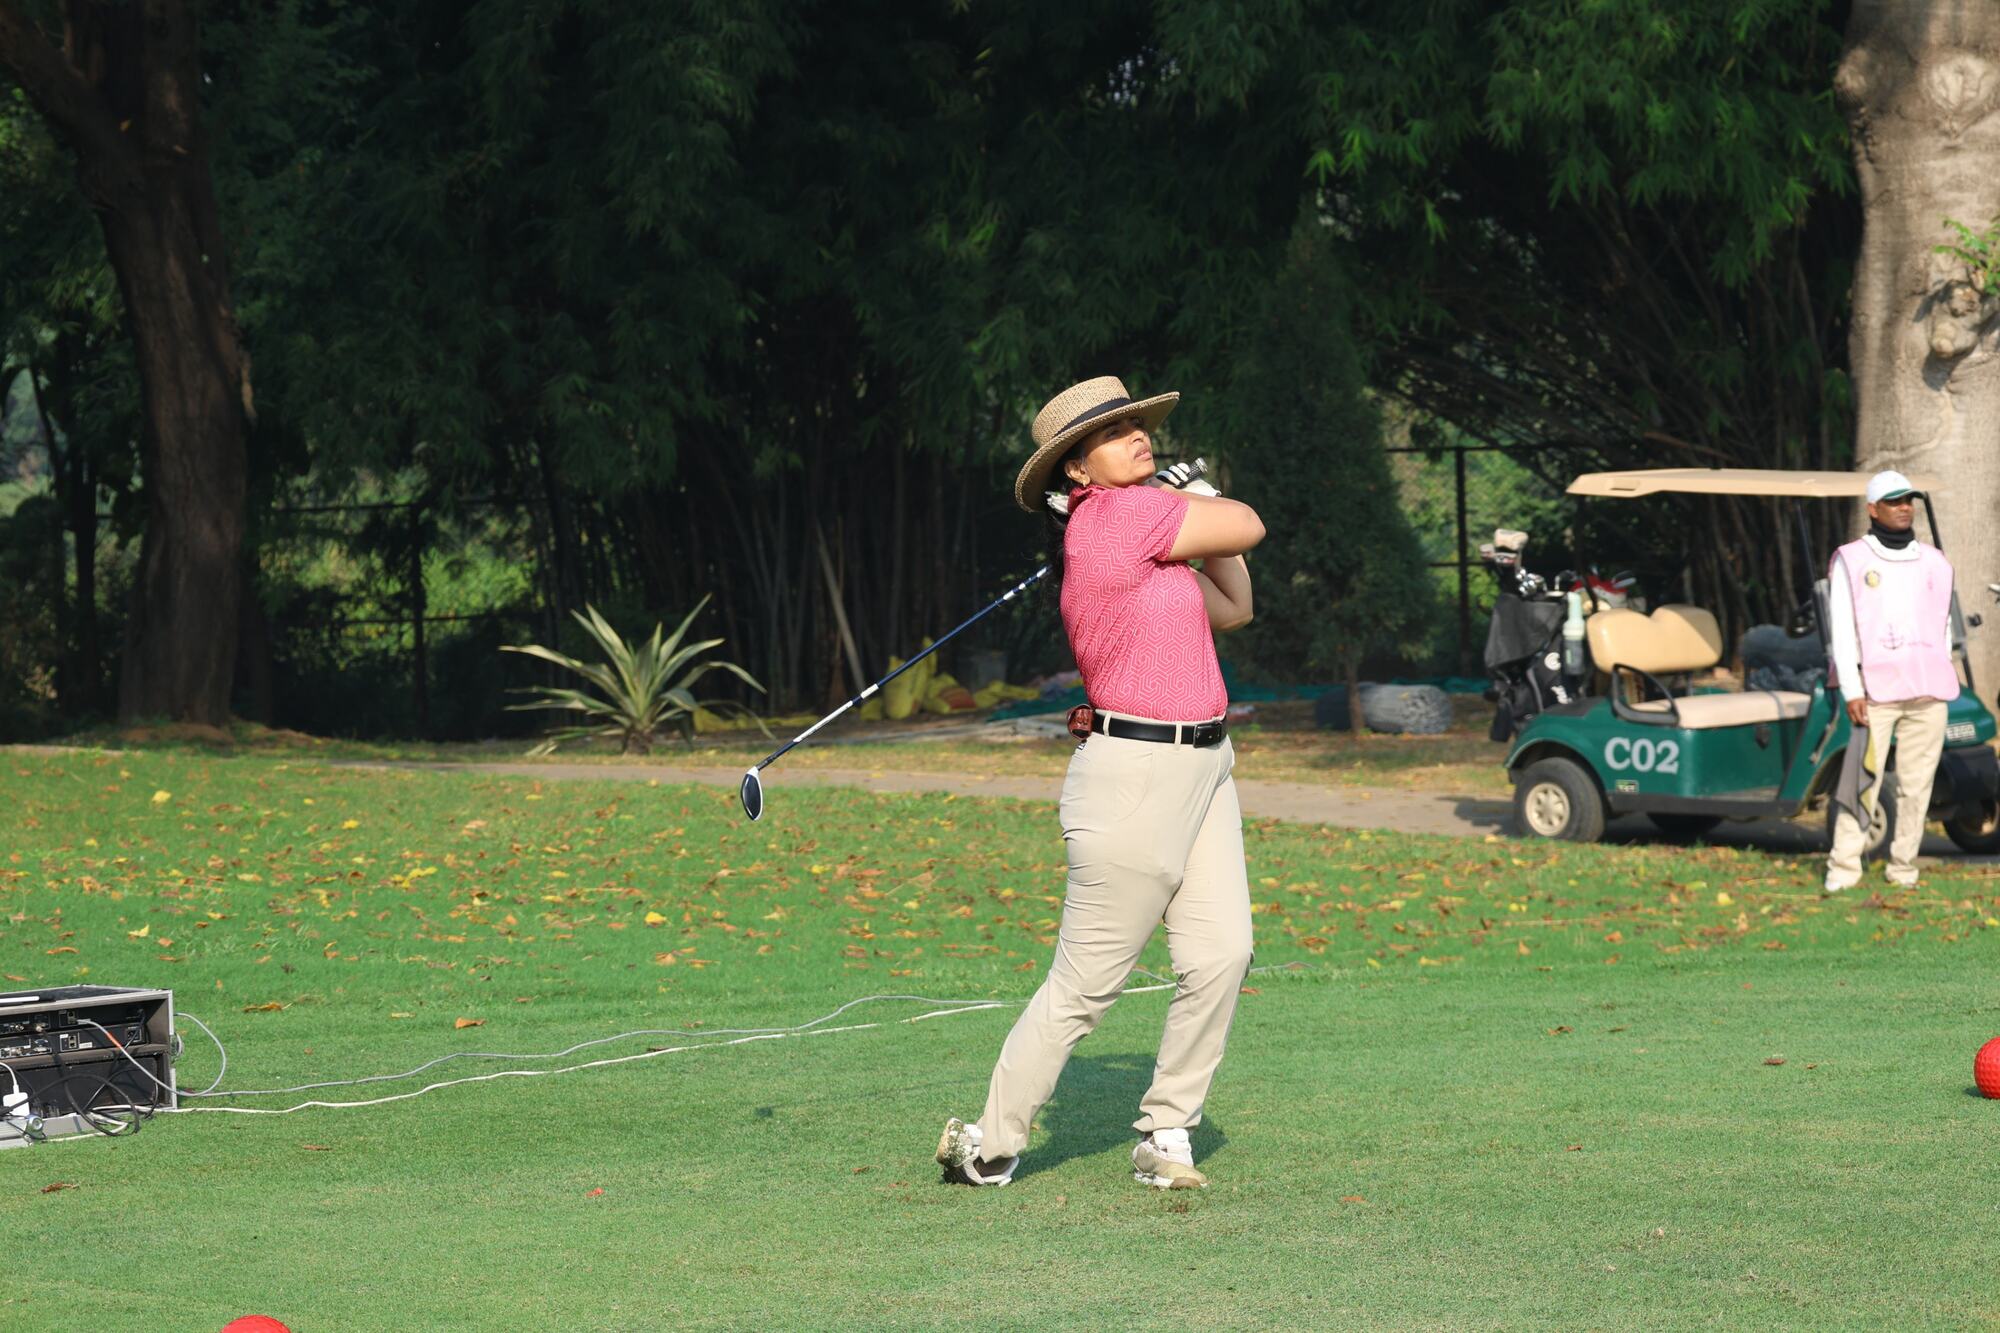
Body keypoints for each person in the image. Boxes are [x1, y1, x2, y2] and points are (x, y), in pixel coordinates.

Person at [935, 375, 1266, 1189]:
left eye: (1136, 424)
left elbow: (1232, 605)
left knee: (1223, 952)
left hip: (1205, 766)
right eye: (1115, 434)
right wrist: (1204, 498)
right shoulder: (1118, 517)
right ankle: (989, 1142)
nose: (1137, 437)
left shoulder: (1144, 531)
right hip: (1135, 776)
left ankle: (1166, 1131)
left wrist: (1193, 509)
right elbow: (1249, 524)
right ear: (1077, 472)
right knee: (1086, 985)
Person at [1824, 469, 1960, 893]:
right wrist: (1851, 689)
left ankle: (1903, 868)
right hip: (1875, 693)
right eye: (1894, 501)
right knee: (1862, 782)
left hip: (1928, 689)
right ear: (1873, 509)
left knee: (1917, 787)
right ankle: (1844, 869)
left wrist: (1943, 665)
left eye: (1909, 500)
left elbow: (1943, 625)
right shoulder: (1852, 559)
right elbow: (1842, 630)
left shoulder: (1934, 560)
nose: (1905, 508)